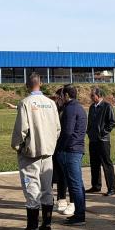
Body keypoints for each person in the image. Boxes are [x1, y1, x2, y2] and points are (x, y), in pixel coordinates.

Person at [11, 73, 61, 230]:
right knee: (47, 188)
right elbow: (58, 128)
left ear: (27, 85)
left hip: (31, 153)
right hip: (48, 152)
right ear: (41, 84)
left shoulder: (25, 103)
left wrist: (18, 147)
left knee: (31, 187)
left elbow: (21, 130)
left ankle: (32, 228)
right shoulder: (51, 103)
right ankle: (46, 224)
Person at [55, 84, 88, 226]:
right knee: (77, 183)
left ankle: (80, 215)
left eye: (62, 95)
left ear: (67, 96)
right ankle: (79, 213)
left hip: (70, 150)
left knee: (75, 184)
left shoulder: (70, 109)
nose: (61, 98)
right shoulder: (78, 107)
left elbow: (67, 132)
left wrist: (59, 148)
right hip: (76, 148)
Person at [86, 87, 115, 196]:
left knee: (106, 164)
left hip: (103, 140)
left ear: (98, 95)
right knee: (94, 164)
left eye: (92, 95)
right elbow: (89, 122)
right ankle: (96, 186)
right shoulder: (92, 107)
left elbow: (112, 122)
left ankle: (111, 188)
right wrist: (89, 132)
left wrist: (103, 132)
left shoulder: (107, 106)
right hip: (93, 140)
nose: (91, 97)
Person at [50, 88, 72, 216]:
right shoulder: (56, 109)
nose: (57, 100)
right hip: (55, 146)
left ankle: (66, 200)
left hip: (63, 146)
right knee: (57, 174)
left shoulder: (66, 110)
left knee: (64, 175)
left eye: (58, 97)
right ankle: (60, 199)